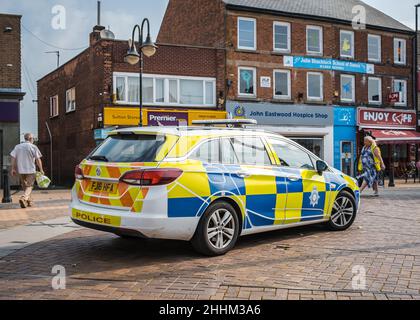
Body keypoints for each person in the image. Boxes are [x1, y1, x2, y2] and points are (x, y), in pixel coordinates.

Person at [10, 133, 44, 208]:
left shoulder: (18, 146)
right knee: (30, 186)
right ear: (30, 139)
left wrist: (12, 168)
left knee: (25, 186)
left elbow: (13, 157)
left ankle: (28, 202)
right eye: (33, 139)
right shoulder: (33, 147)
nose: (33, 140)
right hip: (30, 170)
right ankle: (24, 198)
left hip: (21, 170)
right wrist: (41, 169)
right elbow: (38, 160)